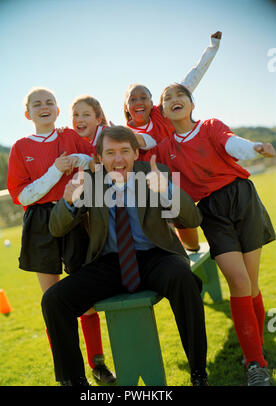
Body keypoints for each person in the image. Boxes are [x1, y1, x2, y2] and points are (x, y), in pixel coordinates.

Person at [42, 125, 208, 386]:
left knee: (184, 279)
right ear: (99, 157)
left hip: (157, 255)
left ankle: (198, 372)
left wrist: (167, 191)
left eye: (124, 152)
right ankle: (73, 381)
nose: (118, 159)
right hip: (109, 263)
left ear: (135, 154)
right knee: (54, 300)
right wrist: (69, 201)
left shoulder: (157, 174)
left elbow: (192, 218)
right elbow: (56, 227)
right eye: (110, 153)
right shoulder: (91, 182)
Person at [152, 82, 276, 386]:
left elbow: (231, 142)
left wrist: (254, 148)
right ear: (164, 112)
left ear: (192, 104)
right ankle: (256, 367)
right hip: (210, 211)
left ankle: (253, 349)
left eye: (180, 95)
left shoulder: (210, 126)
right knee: (238, 281)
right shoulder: (164, 149)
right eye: (168, 99)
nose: (174, 100)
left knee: (251, 284)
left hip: (243, 199)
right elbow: (170, 191)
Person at [7, 87, 116, 384]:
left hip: (74, 215)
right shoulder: (20, 147)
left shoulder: (69, 136)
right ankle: (69, 375)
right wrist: (56, 171)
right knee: (52, 300)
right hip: (40, 223)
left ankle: (98, 363)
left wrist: (80, 165)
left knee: (86, 299)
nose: (44, 107)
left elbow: (95, 160)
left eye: (50, 102)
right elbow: (22, 196)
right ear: (28, 113)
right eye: (37, 104)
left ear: (57, 110)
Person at [123, 31, 222, 252]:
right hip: (161, 189)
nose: (139, 102)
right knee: (189, 246)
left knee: (201, 233)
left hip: (188, 174)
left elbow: (192, 79)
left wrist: (212, 48)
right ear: (126, 106)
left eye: (144, 97)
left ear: (152, 101)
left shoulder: (163, 113)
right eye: (133, 99)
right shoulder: (125, 134)